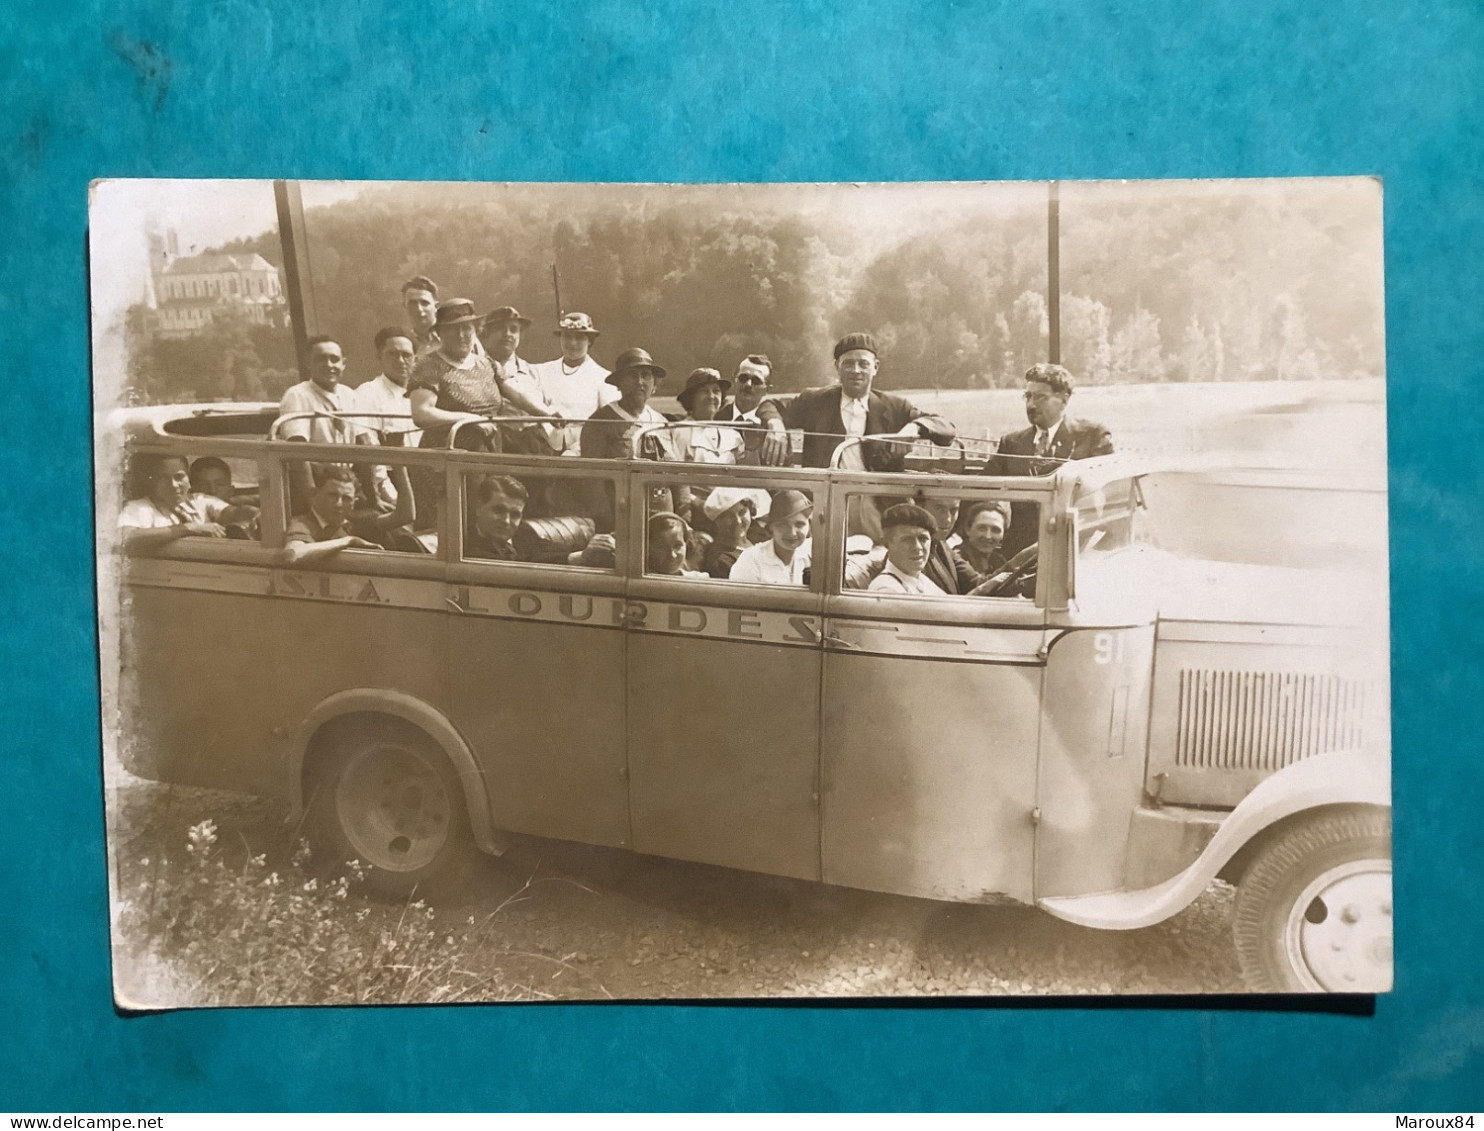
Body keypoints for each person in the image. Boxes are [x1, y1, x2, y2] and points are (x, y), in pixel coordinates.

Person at [756, 333, 955, 469]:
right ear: (837, 367)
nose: (856, 370)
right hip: (824, 499)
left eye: (863, 364)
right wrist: (776, 425)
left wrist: (913, 430)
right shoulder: (815, 401)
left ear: (876, 367)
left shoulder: (895, 406)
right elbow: (770, 405)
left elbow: (946, 428)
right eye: (848, 364)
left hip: (877, 504)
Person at [991, 362, 1114, 556]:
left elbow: (1112, 496)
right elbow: (982, 493)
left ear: (1063, 400)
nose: (1031, 404)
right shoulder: (1011, 443)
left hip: (1075, 550)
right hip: (1019, 555)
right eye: (1028, 396)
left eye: (1040, 397)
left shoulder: (1092, 436)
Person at [408, 299, 510, 451]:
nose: (461, 335)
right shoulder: (428, 366)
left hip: (488, 453)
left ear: (475, 330)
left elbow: (518, 393)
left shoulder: (487, 364)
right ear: (439, 333)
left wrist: (547, 413)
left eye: (466, 328)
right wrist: (470, 419)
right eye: (452, 329)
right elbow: (422, 413)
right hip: (447, 461)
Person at [278, 464, 416, 566]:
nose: (339, 504)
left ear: (354, 502)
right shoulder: (303, 524)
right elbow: (293, 554)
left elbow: (405, 516)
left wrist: (400, 470)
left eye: (346, 498)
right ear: (314, 495)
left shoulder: (356, 521)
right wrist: (348, 541)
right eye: (332, 495)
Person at [525, 312, 618, 456]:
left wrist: (578, 449)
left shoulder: (604, 378)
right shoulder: (541, 371)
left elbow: (607, 423)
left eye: (579, 337)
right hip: (542, 446)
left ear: (590, 341)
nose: (572, 343)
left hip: (585, 447)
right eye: (567, 336)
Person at [118, 454, 237, 550]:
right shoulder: (140, 508)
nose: (173, 485)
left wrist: (253, 514)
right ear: (152, 482)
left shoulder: (199, 501)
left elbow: (232, 512)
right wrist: (188, 528)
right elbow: (124, 538)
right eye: (163, 478)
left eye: (179, 477)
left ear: (188, 480)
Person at [578, 348, 676, 461]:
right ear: (619, 383)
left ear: (654, 386)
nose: (639, 382)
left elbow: (675, 468)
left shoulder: (661, 423)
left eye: (646, 375)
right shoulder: (601, 422)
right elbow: (593, 472)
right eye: (632, 375)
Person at [352, 327, 422, 448]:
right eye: (392, 354)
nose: (400, 361)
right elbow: (367, 443)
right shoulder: (367, 393)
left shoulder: (423, 394)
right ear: (379, 357)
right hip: (388, 465)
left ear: (415, 360)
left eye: (406, 355)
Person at [728, 490, 812, 586]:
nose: (792, 533)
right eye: (783, 525)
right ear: (771, 527)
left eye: (799, 524)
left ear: (809, 525)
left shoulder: (811, 553)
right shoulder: (750, 561)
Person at [868, 504, 945, 596]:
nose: (918, 547)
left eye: (923, 539)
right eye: (907, 540)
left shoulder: (920, 579)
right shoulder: (886, 589)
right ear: (887, 543)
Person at [674, 368, 745, 464]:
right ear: (691, 398)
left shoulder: (732, 435)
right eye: (704, 391)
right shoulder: (678, 433)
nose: (711, 397)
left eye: (716, 391)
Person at [699, 486, 771, 579]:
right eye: (729, 516)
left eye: (742, 512)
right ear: (717, 521)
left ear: (750, 511)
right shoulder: (719, 560)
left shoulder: (758, 538)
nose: (738, 521)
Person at [646, 512, 708, 578]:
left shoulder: (698, 579)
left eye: (677, 546)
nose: (672, 555)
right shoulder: (641, 582)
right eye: (662, 548)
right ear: (648, 548)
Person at [959, 500, 1010, 577]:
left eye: (995, 530)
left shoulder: (998, 560)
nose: (988, 536)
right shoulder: (957, 558)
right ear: (968, 529)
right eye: (982, 528)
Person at [718, 354, 772, 424]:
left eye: (756, 381)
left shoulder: (770, 424)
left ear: (767, 389)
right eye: (743, 378)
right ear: (735, 380)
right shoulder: (716, 417)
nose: (748, 384)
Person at [401, 276, 441, 355]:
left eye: (425, 303)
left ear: (436, 307)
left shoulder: (455, 337)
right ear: (404, 306)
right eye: (412, 303)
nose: (419, 309)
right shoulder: (401, 343)